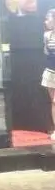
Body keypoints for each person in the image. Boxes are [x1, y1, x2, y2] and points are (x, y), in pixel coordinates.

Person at [42, 10, 55, 140]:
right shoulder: (47, 35)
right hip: (51, 71)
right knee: (54, 102)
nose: (46, 22)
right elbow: (46, 52)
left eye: (48, 19)